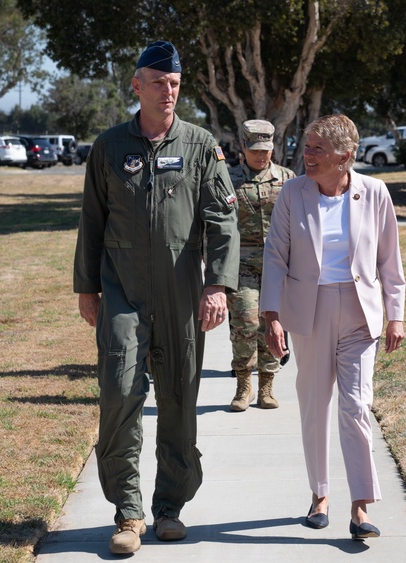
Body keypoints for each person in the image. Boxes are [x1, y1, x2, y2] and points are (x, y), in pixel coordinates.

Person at [73, 40, 240, 555]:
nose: (168, 93)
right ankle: (127, 512)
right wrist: (87, 286)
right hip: (123, 287)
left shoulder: (199, 145)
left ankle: (169, 507)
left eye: (174, 84)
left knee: (178, 397)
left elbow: (222, 219)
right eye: (158, 83)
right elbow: (92, 221)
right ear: (136, 85)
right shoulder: (108, 146)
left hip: (181, 290)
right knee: (121, 391)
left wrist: (217, 285)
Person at [259, 114, 406, 540]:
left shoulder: (375, 193)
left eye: (317, 149)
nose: (307, 156)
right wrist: (272, 317)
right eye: (306, 147)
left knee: (356, 406)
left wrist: (395, 314)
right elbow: (275, 256)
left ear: (345, 156)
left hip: (360, 313)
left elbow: (389, 263)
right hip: (309, 311)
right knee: (314, 405)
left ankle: (361, 506)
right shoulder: (293, 193)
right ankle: (319, 495)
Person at [226, 119, 296, 412]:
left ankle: (267, 386)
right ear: (242, 147)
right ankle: (243, 384)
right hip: (241, 264)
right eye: (254, 149)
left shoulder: (287, 179)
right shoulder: (228, 179)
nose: (261, 155)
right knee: (246, 323)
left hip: (278, 266)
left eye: (266, 149)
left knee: (271, 325)